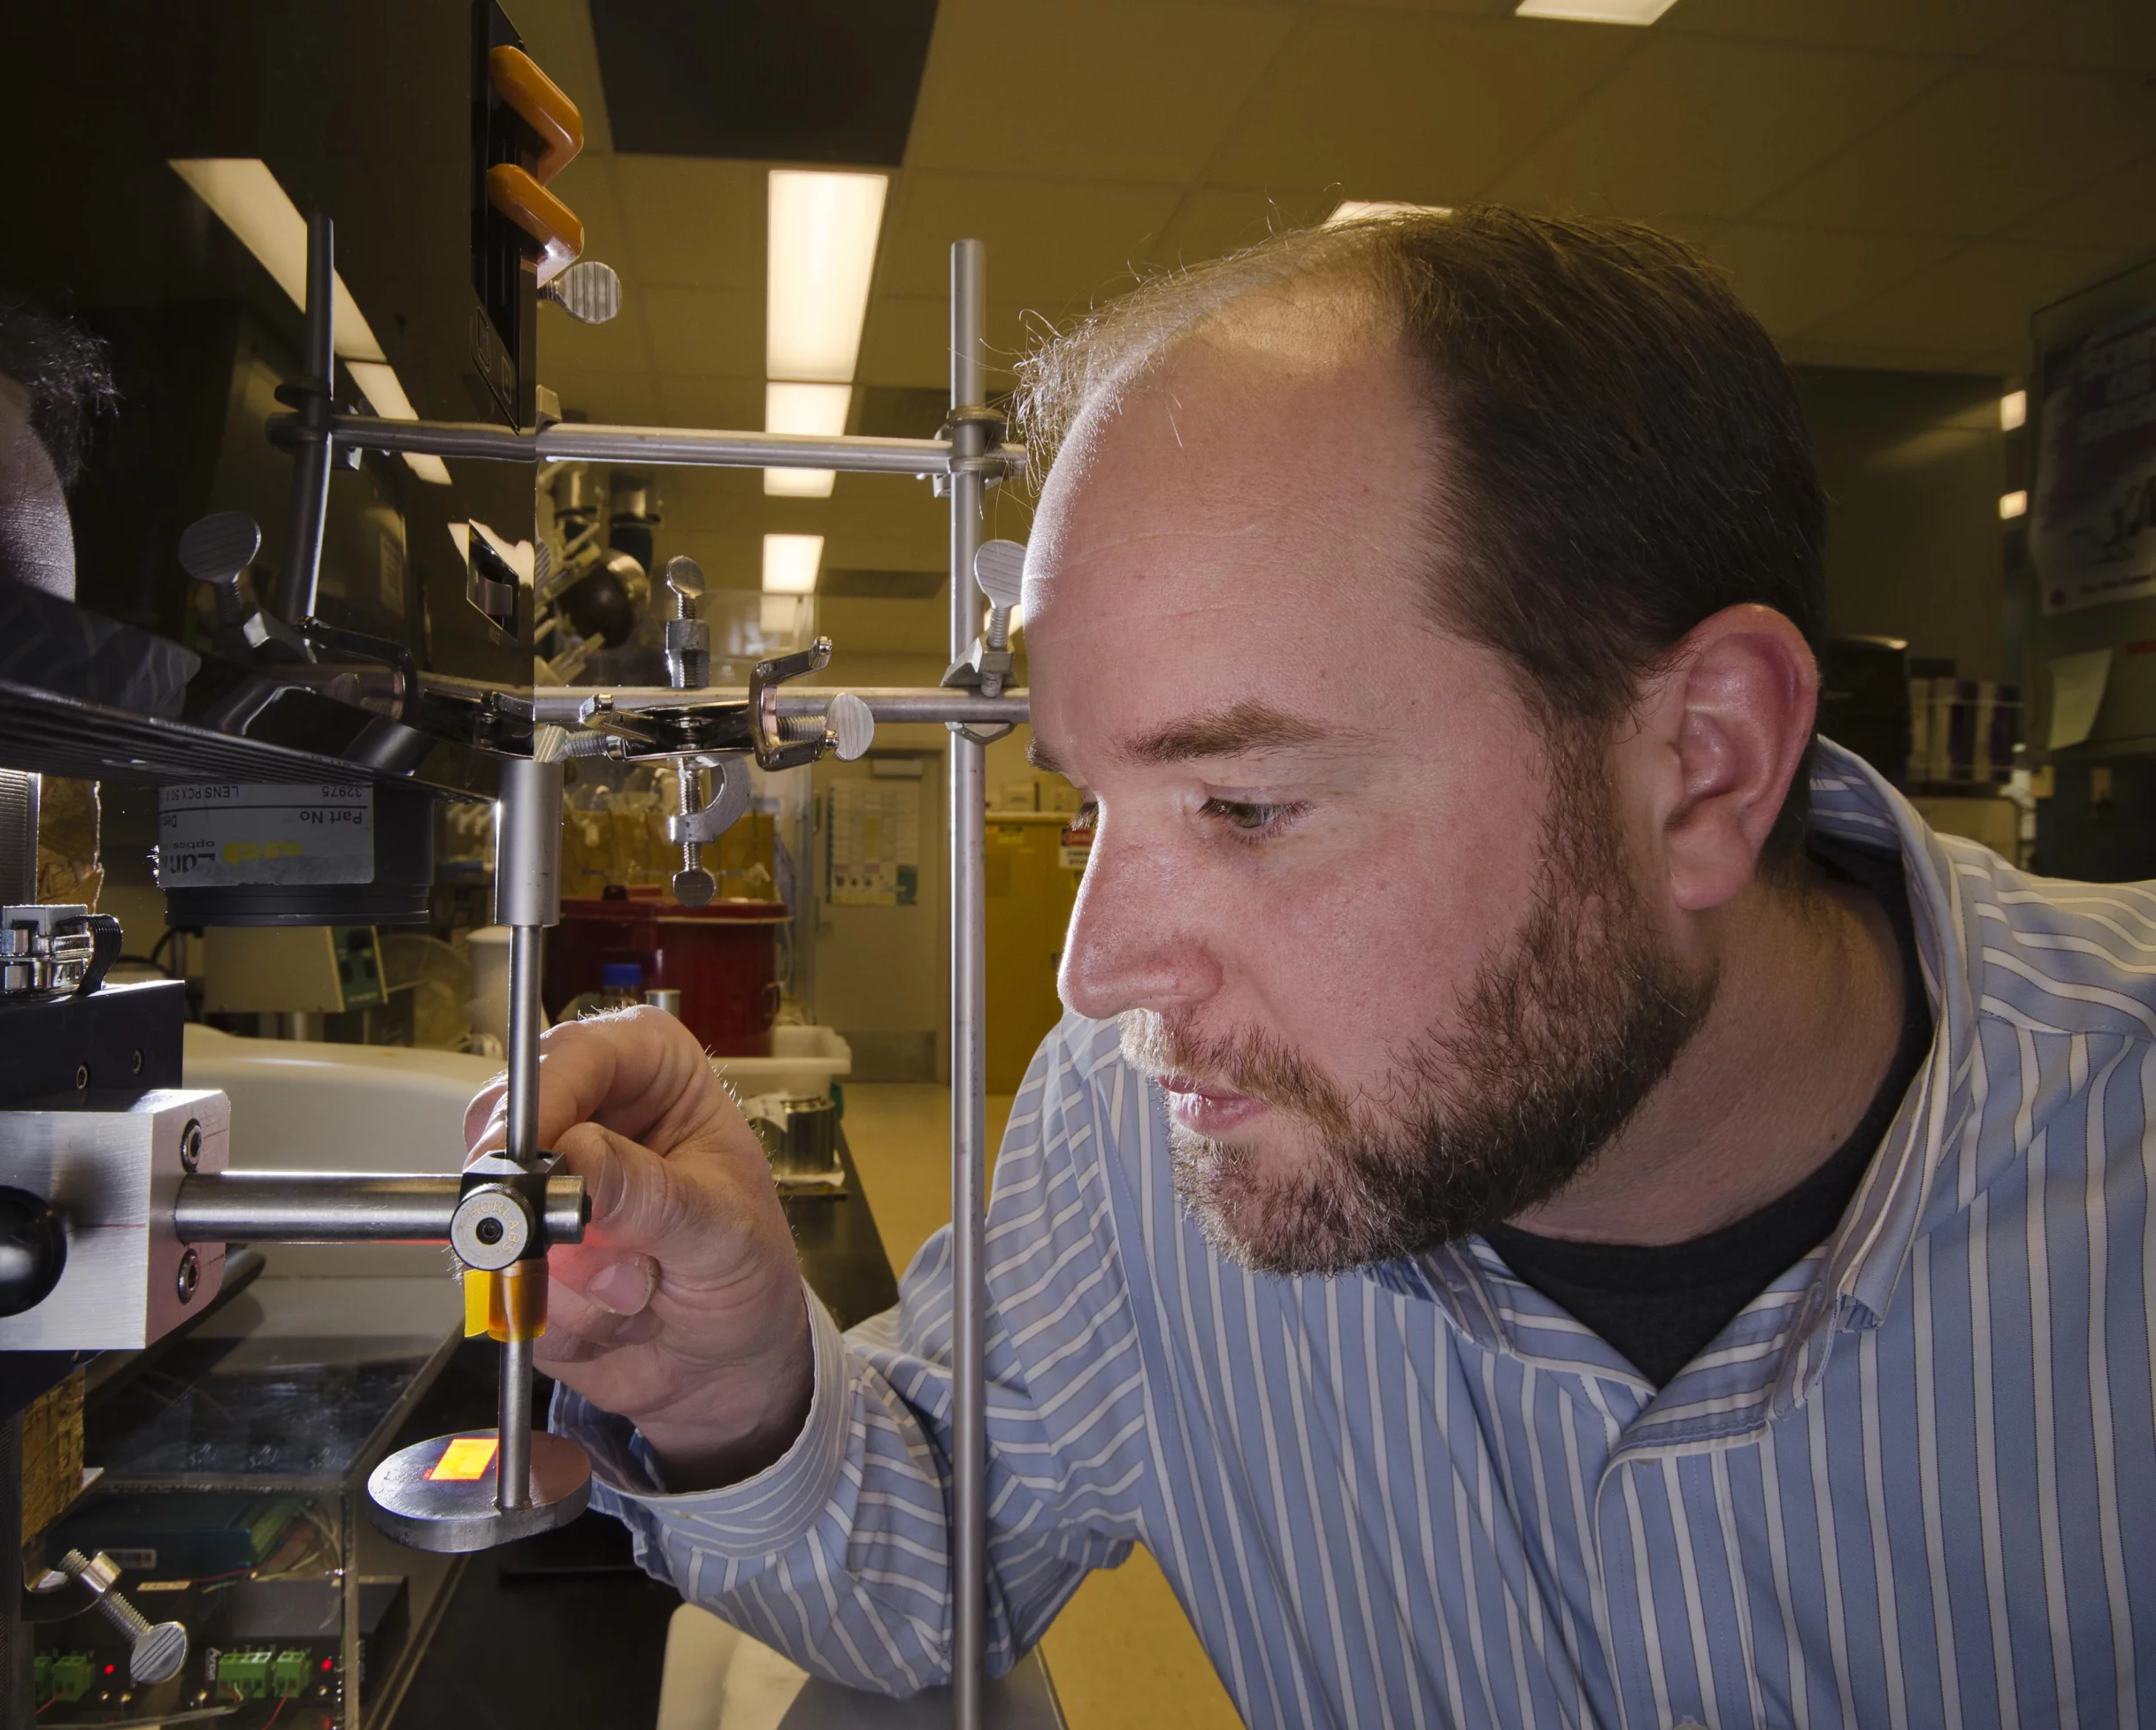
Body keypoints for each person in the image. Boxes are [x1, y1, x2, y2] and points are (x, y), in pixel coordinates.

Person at [464, 207, 2156, 1728]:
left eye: (1249, 804)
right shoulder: (1133, 1145)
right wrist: (741, 1386)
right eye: (1087, 807)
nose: (1098, 977)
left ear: (1701, 764)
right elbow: (929, 1578)